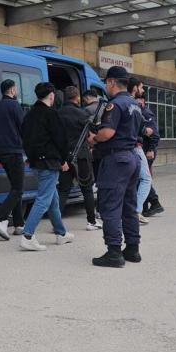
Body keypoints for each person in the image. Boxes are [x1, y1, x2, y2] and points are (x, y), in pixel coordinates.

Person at [88, 66, 143, 268]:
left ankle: (113, 253)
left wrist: (94, 138)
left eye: (106, 82)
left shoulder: (115, 104)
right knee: (129, 206)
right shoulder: (134, 104)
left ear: (112, 82)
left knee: (110, 206)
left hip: (116, 159)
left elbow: (108, 133)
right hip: (132, 157)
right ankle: (133, 249)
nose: (105, 86)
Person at [19, 82, 74, 251]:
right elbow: (61, 139)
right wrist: (64, 160)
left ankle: (61, 233)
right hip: (49, 162)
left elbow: (24, 138)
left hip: (35, 162)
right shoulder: (51, 114)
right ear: (51, 96)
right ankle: (27, 236)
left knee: (53, 200)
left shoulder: (29, 114)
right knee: (43, 199)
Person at [0, 78, 26, 240]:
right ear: (12, 90)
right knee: (18, 189)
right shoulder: (15, 105)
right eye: (15, 88)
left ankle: (19, 224)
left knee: (15, 187)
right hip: (14, 151)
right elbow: (23, 127)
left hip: (2, 152)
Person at [56, 86, 100, 231]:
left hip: (64, 157)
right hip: (81, 156)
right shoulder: (82, 113)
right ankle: (91, 221)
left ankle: (57, 223)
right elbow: (93, 132)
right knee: (87, 189)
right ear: (77, 98)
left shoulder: (57, 114)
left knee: (63, 190)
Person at [127, 79, 153, 226]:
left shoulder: (117, 103)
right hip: (134, 146)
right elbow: (138, 126)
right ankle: (135, 211)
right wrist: (146, 130)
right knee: (146, 179)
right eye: (141, 88)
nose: (143, 91)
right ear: (135, 88)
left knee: (130, 181)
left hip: (123, 148)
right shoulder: (133, 105)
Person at [138, 93, 164, 217]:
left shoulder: (146, 113)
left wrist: (151, 149)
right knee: (140, 178)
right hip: (142, 150)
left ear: (142, 100)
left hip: (147, 150)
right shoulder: (138, 112)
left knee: (142, 178)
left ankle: (154, 203)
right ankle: (146, 207)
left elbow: (155, 134)